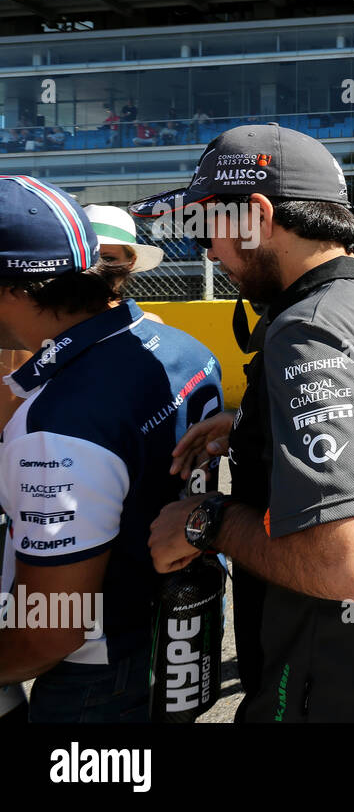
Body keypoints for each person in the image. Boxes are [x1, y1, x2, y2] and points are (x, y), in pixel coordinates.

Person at [139, 124, 354, 722]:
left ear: (259, 216)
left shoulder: (312, 328)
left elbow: (345, 564)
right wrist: (257, 422)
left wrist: (205, 521)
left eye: (210, 225)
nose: (208, 250)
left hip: (338, 686)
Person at [0, 176, 223, 722]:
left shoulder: (58, 424)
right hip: (175, 629)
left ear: (11, 288)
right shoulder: (174, 343)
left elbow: (54, 627)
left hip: (93, 674)